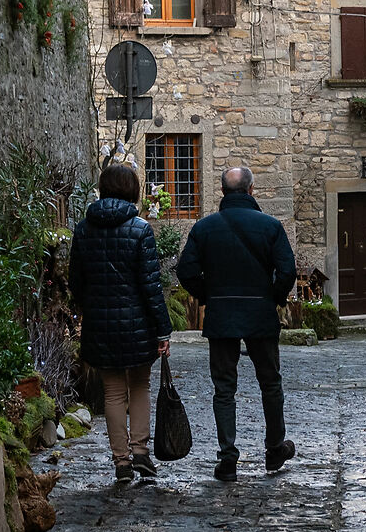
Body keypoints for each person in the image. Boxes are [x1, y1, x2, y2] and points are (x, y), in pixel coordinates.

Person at [175, 164, 297, 482]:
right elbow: (287, 272)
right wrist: (273, 298)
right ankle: (273, 449)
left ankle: (228, 457)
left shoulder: (204, 228)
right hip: (260, 315)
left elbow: (186, 271)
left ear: (222, 192)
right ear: (252, 190)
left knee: (224, 389)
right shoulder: (270, 227)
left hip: (222, 315)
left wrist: (209, 296)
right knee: (270, 383)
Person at [67, 160, 171, 483]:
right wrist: (163, 328)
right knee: (139, 386)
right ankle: (140, 452)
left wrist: (89, 308)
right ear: (133, 191)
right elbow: (151, 285)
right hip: (138, 324)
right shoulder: (140, 229)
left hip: (100, 324)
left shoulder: (84, 229)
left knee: (112, 393)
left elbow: (76, 281)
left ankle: (121, 462)